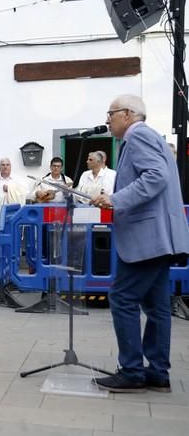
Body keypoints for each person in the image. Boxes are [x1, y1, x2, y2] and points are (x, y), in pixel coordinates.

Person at [90, 95, 189, 393]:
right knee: (157, 306)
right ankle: (157, 372)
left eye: (111, 113)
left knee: (122, 297)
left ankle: (132, 371)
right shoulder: (147, 137)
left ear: (128, 114)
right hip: (160, 237)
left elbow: (155, 176)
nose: (107, 120)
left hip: (148, 237)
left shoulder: (139, 136)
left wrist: (115, 198)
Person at [0, 158, 28, 247]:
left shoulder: (17, 181)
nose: (5, 167)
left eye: (7, 165)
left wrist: (10, 188)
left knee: (13, 238)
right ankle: (0, 260)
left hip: (13, 215)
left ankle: (12, 259)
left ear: (10, 167)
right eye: (3, 165)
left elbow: (25, 193)